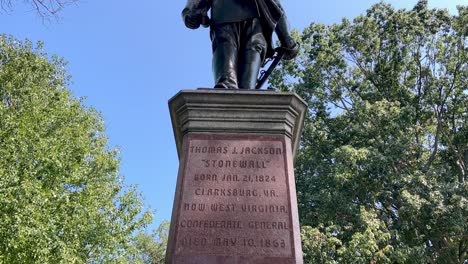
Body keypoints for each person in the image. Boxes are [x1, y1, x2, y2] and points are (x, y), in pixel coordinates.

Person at [182, 0, 299, 89]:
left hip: (255, 23)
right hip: (225, 15)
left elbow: (276, 8)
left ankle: (243, 96)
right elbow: (194, 7)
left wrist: (286, 36)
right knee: (226, 47)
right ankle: (229, 89)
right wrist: (190, 14)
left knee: (247, 83)